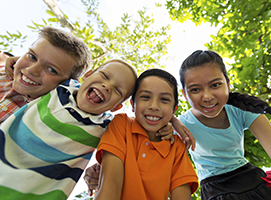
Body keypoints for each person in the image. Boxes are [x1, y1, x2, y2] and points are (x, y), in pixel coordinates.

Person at [0, 59, 137, 200]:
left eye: (118, 91)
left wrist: (97, 171)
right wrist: (16, 61)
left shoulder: (106, 126)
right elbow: (43, 66)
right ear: (87, 75)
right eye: (105, 76)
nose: (107, 86)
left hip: (32, 192)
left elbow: (139, 134)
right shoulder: (63, 84)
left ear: (116, 107)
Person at [178, 50, 271, 199]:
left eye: (215, 85)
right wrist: (171, 121)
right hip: (216, 192)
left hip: (255, 183)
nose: (207, 96)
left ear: (228, 85)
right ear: (184, 94)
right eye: (195, 89)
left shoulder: (241, 110)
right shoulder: (181, 125)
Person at [94, 68, 199, 200]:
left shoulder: (176, 147)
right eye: (145, 97)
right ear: (133, 105)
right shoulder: (122, 125)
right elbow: (110, 184)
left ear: (174, 110)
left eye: (164, 99)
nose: (154, 106)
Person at [0, 26, 92, 124]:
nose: (31, 70)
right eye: (32, 56)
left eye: (51, 70)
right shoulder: (4, 73)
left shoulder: (49, 117)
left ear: (68, 83)